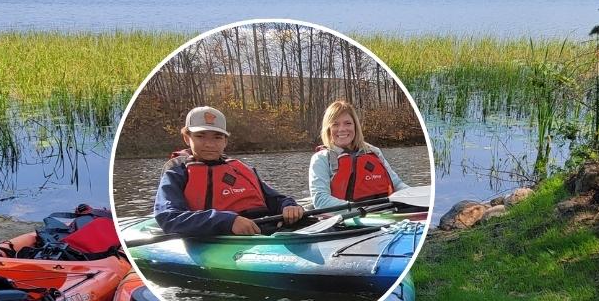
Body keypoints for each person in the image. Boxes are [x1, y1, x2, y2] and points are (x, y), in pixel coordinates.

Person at [154, 106, 305, 236]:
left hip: (265, 229)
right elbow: (169, 217)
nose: (209, 144)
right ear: (187, 138)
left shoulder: (241, 169)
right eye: (200, 136)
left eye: (217, 137)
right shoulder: (176, 172)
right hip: (221, 235)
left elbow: (275, 199)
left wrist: (289, 205)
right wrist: (227, 221)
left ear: (225, 141)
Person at [309, 100, 410, 209]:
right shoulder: (321, 159)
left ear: (355, 126)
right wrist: (360, 209)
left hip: (386, 211)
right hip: (348, 218)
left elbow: (398, 185)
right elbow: (320, 200)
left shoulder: (373, 151)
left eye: (348, 123)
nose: (342, 129)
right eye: (335, 124)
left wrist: (415, 195)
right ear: (328, 129)